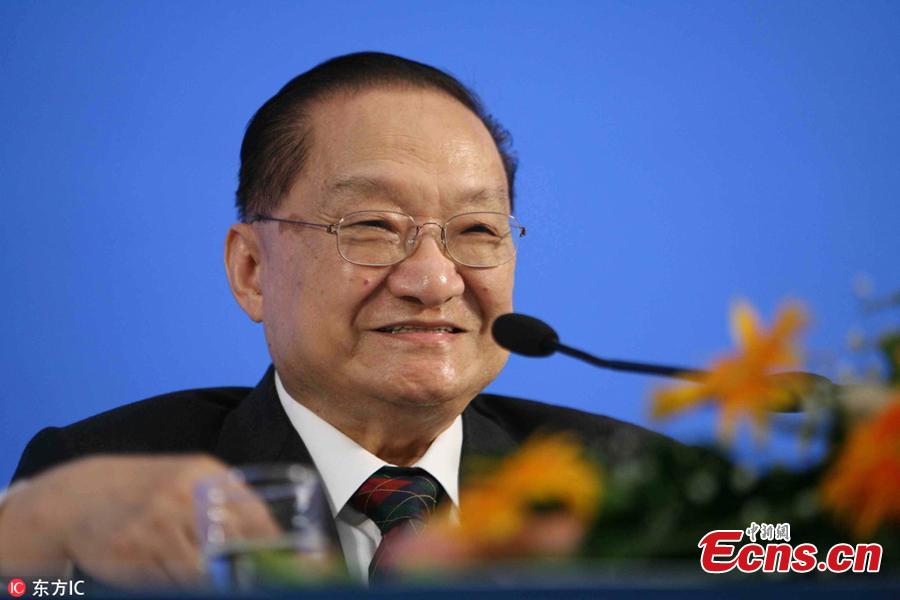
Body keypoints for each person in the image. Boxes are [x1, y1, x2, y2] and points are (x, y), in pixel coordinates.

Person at [0, 52, 668, 587]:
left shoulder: (640, 490)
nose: (435, 281)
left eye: (476, 230)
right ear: (251, 270)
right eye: (372, 225)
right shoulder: (92, 487)